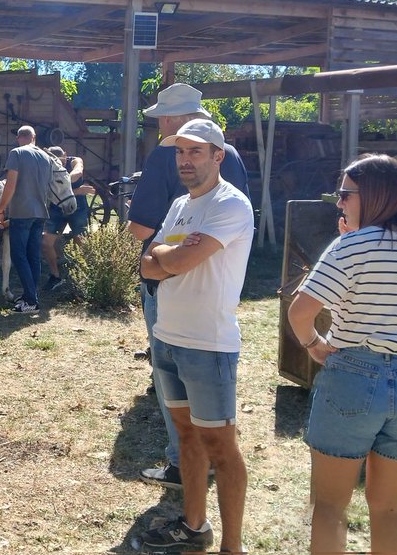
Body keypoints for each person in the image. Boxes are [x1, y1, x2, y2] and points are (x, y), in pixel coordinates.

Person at [288, 154, 397, 553]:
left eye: (345, 194)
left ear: (377, 196)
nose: (339, 202)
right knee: (390, 509)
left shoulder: (352, 245)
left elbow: (300, 311)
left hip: (354, 377)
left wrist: (313, 344)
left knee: (329, 506)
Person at [138, 118, 254, 552]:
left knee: (221, 446)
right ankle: (194, 525)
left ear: (218, 156)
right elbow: (149, 263)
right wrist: (169, 255)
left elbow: (175, 263)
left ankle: (232, 546)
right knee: (186, 436)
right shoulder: (180, 205)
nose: (185, 160)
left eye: (195, 152)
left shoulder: (231, 205)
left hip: (208, 345)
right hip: (167, 338)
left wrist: (166, 256)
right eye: (180, 152)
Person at [0, 125, 54, 314]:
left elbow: (10, 185)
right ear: (34, 137)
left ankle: (31, 301)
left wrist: (0, 210)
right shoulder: (46, 157)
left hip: (21, 212)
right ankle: (30, 297)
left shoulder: (16, 153)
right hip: (40, 212)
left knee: (19, 256)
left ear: (18, 138)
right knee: (33, 256)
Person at [41, 145, 93, 291]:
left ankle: (83, 275)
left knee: (80, 240)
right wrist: (77, 190)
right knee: (46, 243)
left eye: (62, 160)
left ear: (66, 154)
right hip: (56, 208)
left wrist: (62, 180)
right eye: (57, 162)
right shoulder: (47, 168)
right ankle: (55, 276)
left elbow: (78, 171)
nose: (61, 163)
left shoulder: (75, 161)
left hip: (77, 207)